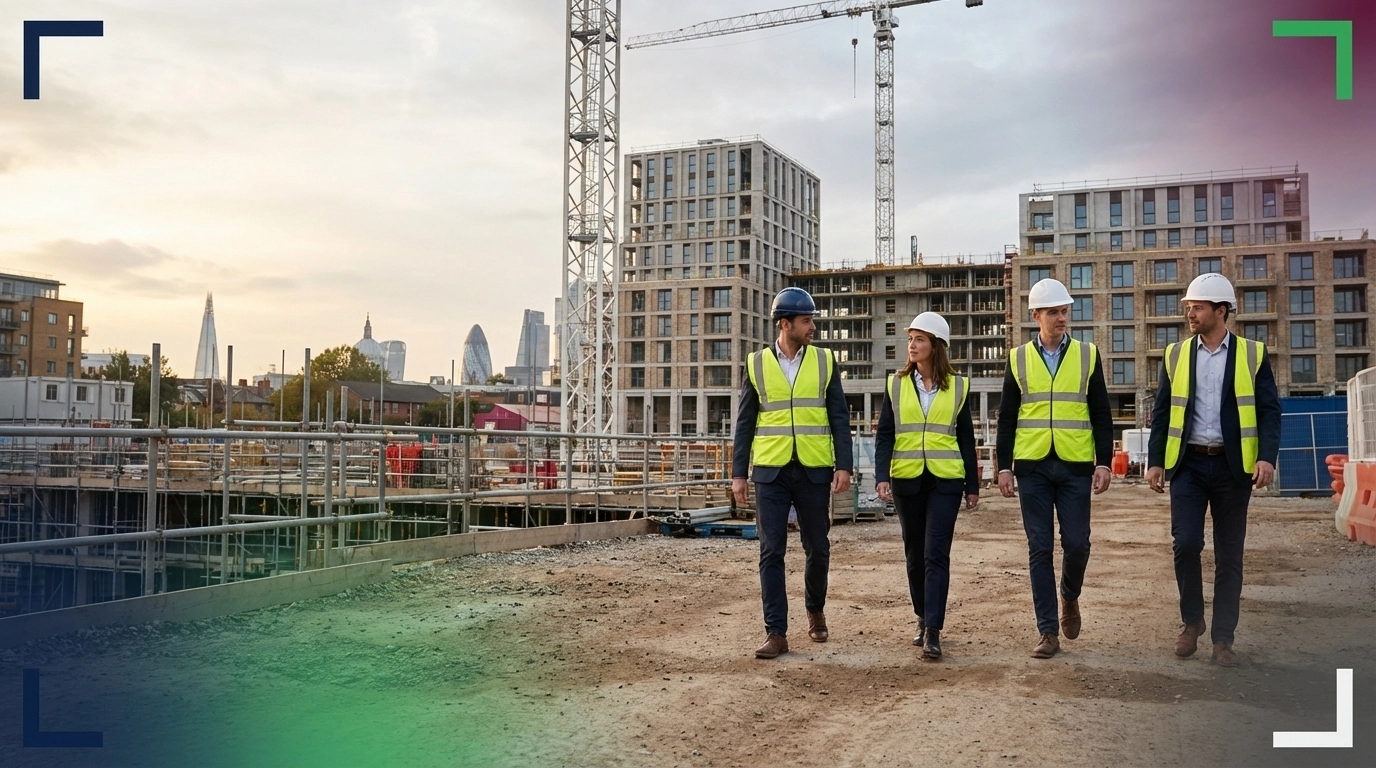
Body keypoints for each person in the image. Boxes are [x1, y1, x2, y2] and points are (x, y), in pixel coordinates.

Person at [1146, 273, 1280, 667]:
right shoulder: (1175, 355)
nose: (1190, 313)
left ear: (1221, 311)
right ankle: (1192, 623)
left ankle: (1223, 640)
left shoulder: (1253, 354)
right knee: (1186, 544)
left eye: (1198, 307)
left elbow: (1269, 411)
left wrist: (1266, 457)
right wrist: (1156, 461)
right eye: (1188, 307)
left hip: (1232, 467)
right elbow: (1162, 413)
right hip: (1187, 464)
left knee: (1229, 555)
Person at [732, 287, 853, 660]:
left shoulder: (824, 362)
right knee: (771, 551)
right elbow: (745, 422)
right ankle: (776, 632)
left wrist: (844, 465)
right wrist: (738, 473)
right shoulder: (756, 364)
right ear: (785, 324)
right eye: (806, 320)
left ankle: (815, 610)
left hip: (814, 469)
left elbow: (839, 416)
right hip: (770, 471)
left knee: (818, 547)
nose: (812, 326)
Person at [996, 278, 1113, 659]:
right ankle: (1047, 631)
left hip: (1075, 464)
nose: (1061, 318)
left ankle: (1069, 595)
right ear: (1036, 316)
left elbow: (1101, 412)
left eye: (1064, 311)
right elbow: (1007, 417)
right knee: (1040, 548)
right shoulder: (1018, 358)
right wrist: (1003, 467)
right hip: (1032, 467)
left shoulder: (1087, 355)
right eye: (1053, 312)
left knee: (1077, 543)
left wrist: (1104, 462)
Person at [875, 312, 979, 661]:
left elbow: (966, 438)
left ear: (936, 346)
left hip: (946, 481)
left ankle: (934, 629)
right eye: (910, 339)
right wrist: (881, 475)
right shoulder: (896, 384)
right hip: (907, 479)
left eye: (919, 339)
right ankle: (922, 616)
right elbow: (885, 434)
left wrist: (973, 485)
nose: (912, 345)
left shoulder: (958, 386)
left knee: (936, 553)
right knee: (914, 554)